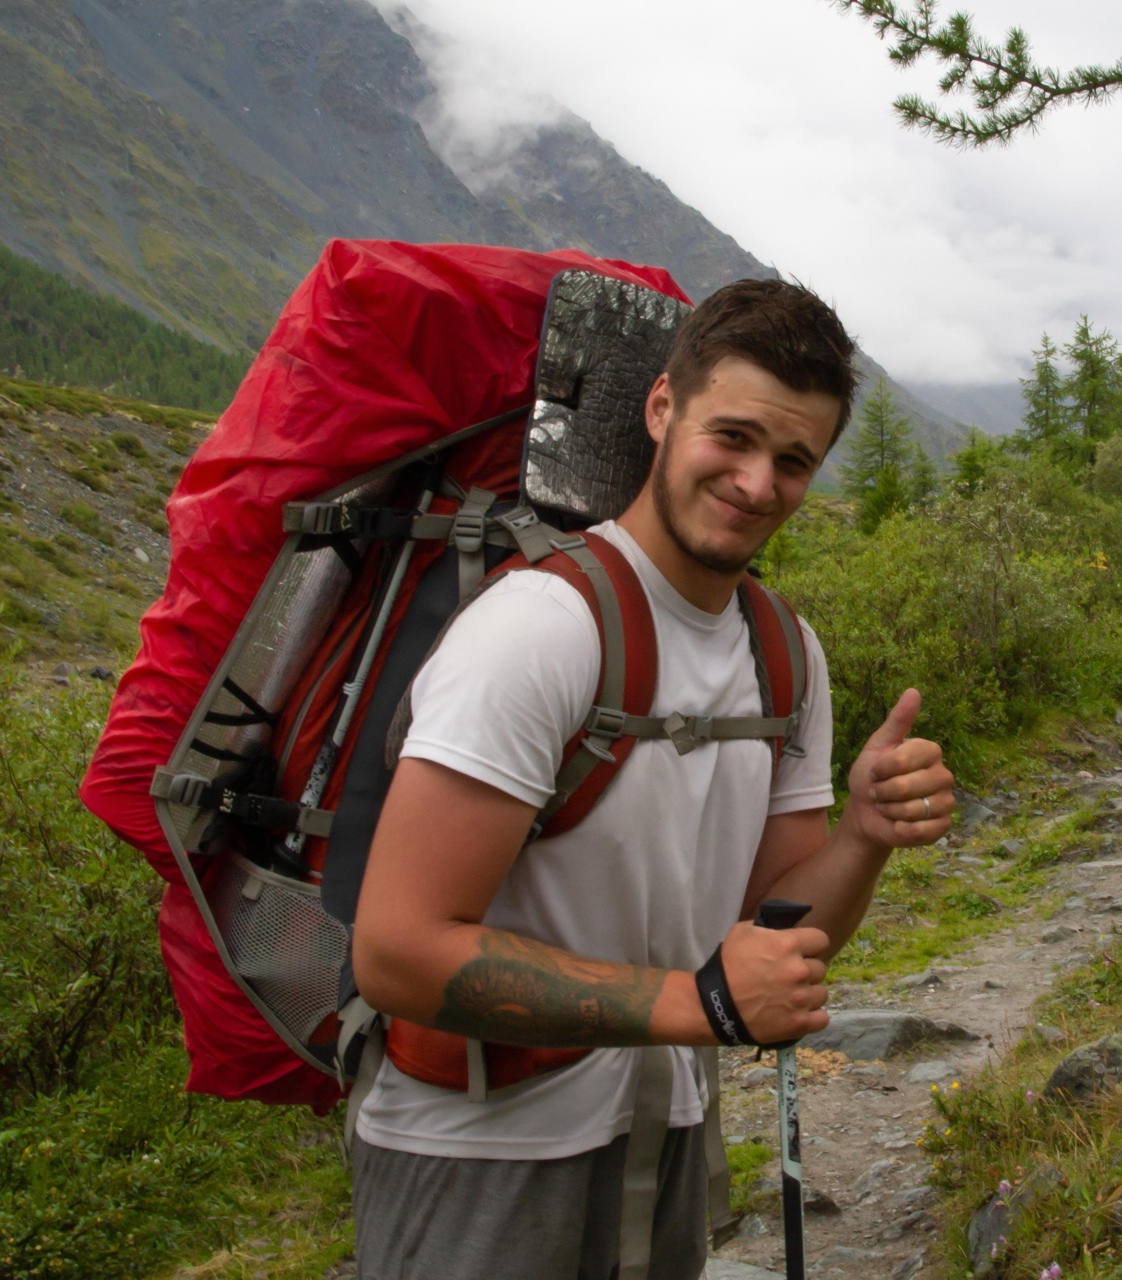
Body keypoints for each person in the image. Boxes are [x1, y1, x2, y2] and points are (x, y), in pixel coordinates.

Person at [348, 278, 954, 1280]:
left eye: (794, 460)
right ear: (663, 409)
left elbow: (781, 927)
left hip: (663, 1131)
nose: (759, 483)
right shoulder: (538, 629)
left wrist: (864, 832)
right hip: (479, 1149)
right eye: (735, 437)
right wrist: (699, 1001)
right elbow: (399, 951)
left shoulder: (787, 653)